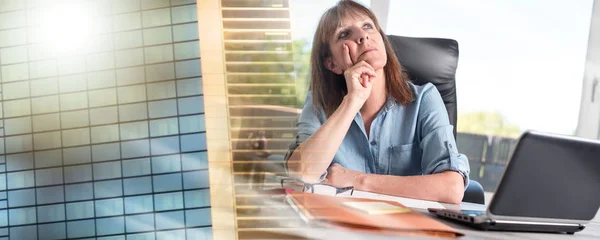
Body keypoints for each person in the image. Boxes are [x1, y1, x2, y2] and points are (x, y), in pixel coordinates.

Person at [285, 0, 470, 204]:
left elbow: (452, 188)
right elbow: (302, 173)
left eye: (367, 26)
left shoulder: (425, 99)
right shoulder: (319, 103)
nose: (362, 36)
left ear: (381, 39)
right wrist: (353, 100)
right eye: (344, 34)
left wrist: (358, 180)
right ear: (332, 63)